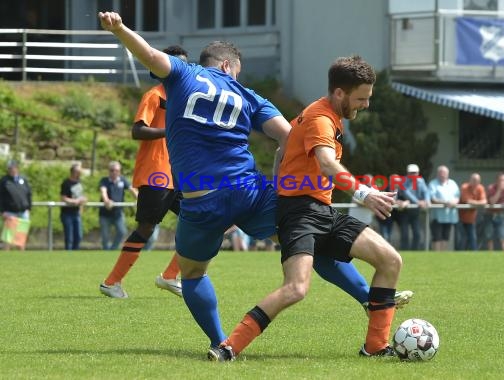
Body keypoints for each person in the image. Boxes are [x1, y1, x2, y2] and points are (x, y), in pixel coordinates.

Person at [98, 12, 412, 350]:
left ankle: (220, 341)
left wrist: (119, 29)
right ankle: (368, 298)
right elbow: (290, 137)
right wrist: (282, 177)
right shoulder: (249, 96)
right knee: (309, 238)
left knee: (191, 275)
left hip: (202, 200)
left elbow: (149, 55)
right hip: (250, 192)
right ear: (228, 66)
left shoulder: (184, 75)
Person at [208, 55, 404, 361]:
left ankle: (376, 346)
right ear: (340, 93)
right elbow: (327, 163)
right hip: (300, 213)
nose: (366, 105)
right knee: (296, 289)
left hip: (322, 211)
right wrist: (364, 193)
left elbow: (282, 149)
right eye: (361, 98)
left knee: (390, 260)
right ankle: (228, 347)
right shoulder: (321, 119)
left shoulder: (321, 114)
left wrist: (280, 179)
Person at [99, 46, 188, 299]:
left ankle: (171, 276)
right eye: (173, 64)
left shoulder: (183, 99)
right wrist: (169, 130)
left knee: (207, 219)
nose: (178, 70)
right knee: (147, 228)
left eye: (183, 65)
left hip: (179, 174)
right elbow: (137, 130)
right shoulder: (154, 95)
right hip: (156, 172)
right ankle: (111, 283)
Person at [98, 161, 138, 250]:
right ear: (109, 171)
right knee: (105, 236)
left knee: (122, 232)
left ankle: (112, 249)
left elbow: (132, 190)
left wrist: (139, 199)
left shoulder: (123, 180)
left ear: (119, 171)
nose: (114, 172)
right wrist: (107, 201)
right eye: (112, 170)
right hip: (105, 214)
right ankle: (105, 253)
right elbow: (103, 191)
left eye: (116, 170)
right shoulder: (104, 181)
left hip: (118, 213)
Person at [0, 160, 32, 250]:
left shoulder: (23, 179)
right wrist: (2, 211)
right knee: (8, 236)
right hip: (10, 212)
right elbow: (0, 197)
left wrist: (29, 208)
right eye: (10, 168)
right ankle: (6, 254)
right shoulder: (4, 181)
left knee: (21, 236)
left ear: (17, 168)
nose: (11, 170)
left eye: (13, 168)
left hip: (23, 212)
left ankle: (21, 255)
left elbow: (29, 194)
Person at [398, 164, 430, 250]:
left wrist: (426, 201)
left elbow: (426, 192)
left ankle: (414, 252)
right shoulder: (402, 181)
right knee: (404, 234)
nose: (413, 174)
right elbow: (407, 193)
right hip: (404, 211)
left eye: (415, 173)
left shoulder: (421, 180)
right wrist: (418, 202)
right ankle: (404, 252)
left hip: (415, 211)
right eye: (411, 173)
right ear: (407, 173)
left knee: (417, 234)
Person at [428, 165, 460, 251]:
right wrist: (445, 202)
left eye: (444, 173)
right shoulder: (433, 184)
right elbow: (432, 199)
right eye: (441, 173)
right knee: (437, 237)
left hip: (449, 216)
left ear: (448, 174)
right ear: (438, 173)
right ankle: (436, 256)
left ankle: (443, 256)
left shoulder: (453, 183)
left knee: (446, 237)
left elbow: (457, 197)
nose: (443, 175)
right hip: (437, 217)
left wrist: (454, 202)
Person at [60, 163, 87, 250]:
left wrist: (82, 202)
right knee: (69, 237)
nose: (80, 173)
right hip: (67, 213)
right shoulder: (66, 183)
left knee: (78, 236)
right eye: (78, 172)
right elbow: (63, 198)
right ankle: (68, 254)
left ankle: (76, 253)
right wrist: (74, 201)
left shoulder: (80, 182)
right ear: (73, 172)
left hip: (76, 213)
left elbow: (82, 196)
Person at [458, 173, 487, 251]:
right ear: (470, 180)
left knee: (473, 238)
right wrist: (478, 203)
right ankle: (459, 256)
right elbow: (466, 200)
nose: (475, 182)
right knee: (461, 238)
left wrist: (473, 202)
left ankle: (474, 256)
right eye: (474, 180)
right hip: (460, 218)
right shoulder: (464, 187)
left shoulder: (480, 188)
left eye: (477, 181)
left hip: (471, 219)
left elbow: (484, 201)